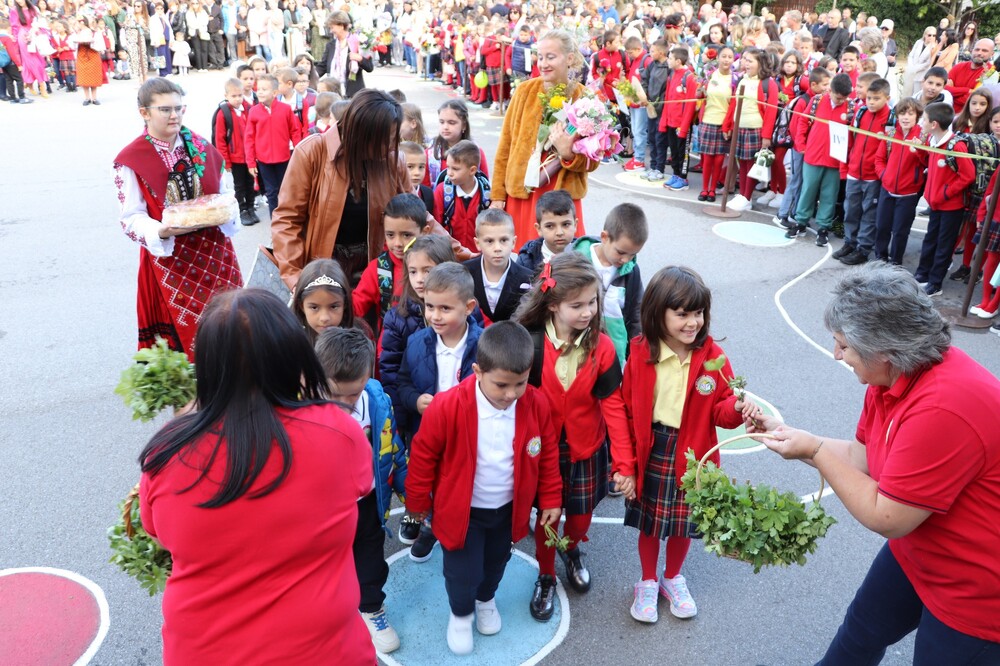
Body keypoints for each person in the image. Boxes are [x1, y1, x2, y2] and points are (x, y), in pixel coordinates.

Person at [758, 263, 1000, 664]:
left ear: (883, 348)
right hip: (920, 551)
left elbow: (887, 516)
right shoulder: (890, 375)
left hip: (976, 589)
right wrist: (792, 436)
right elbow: (862, 460)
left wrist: (815, 451)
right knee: (859, 635)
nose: (836, 354)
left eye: (843, 346)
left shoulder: (942, 407)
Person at [139, 289, 376, 665]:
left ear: (207, 366)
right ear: (293, 357)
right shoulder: (340, 433)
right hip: (323, 650)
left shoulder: (166, 452)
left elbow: (158, 535)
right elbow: (360, 487)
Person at [404, 320, 563, 655]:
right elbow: (422, 456)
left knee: (495, 562)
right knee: (462, 571)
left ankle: (486, 599)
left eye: (520, 384)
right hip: (463, 512)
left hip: (507, 510)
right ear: (477, 371)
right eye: (501, 385)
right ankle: (461, 615)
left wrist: (550, 497)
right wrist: (417, 503)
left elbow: (547, 453)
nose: (511, 394)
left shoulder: (535, 404)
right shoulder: (448, 407)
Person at [616, 266, 760, 624]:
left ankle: (672, 578)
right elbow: (627, 410)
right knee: (651, 524)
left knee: (683, 524)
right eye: (682, 314)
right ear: (657, 313)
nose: (692, 322)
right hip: (653, 449)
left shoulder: (713, 357)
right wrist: (624, 465)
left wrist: (737, 407)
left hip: (694, 453)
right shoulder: (640, 351)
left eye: (698, 313)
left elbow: (721, 413)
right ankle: (647, 581)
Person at [514, 252, 631, 621]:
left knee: (579, 519)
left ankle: (573, 547)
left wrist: (624, 464)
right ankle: (546, 574)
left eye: (592, 302)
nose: (588, 312)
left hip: (586, 450)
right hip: (543, 452)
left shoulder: (603, 347)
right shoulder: (529, 343)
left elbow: (614, 408)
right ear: (552, 304)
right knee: (547, 519)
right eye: (577, 305)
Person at [113, 78, 243, 361]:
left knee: (231, 326)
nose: (175, 115)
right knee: (187, 342)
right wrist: (161, 231)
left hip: (216, 255)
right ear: (144, 113)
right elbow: (131, 218)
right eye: (165, 109)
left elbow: (224, 193)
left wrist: (225, 210)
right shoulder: (132, 159)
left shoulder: (200, 147)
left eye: (179, 108)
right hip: (171, 261)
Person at [315, 326, 405, 655]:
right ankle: (329, 616)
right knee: (326, 565)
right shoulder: (301, 408)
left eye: (351, 395)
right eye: (332, 394)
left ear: (367, 377)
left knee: (370, 560)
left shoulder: (377, 402)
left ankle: (371, 609)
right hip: (324, 508)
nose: (342, 405)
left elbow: (394, 449)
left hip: (367, 501)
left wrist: (411, 494)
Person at [271, 88, 410, 291]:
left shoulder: (392, 160)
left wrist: (457, 251)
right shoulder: (312, 152)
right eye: (387, 139)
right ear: (364, 135)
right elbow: (287, 219)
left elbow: (416, 214)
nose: (393, 146)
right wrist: (295, 277)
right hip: (323, 270)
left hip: (375, 270)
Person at [492, 29, 596, 248]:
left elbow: (592, 161)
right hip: (524, 193)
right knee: (524, 258)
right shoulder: (524, 92)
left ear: (569, 58)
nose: (543, 63)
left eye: (551, 57)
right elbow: (506, 146)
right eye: (540, 57)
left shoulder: (584, 98)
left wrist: (568, 154)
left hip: (562, 199)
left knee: (563, 263)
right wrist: (498, 195)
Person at [379, 234, 456, 446]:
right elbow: (391, 370)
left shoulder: (463, 310)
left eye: (427, 271)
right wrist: (402, 416)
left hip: (457, 411)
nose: (419, 279)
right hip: (417, 417)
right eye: (413, 271)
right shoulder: (397, 318)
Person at [571, 203, 647, 367]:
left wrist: (637, 349)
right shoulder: (576, 261)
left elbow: (637, 312)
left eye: (633, 254)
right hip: (576, 350)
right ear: (604, 237)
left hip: (614, 354)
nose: (626, 260)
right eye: (620, 252)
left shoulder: (631, 271)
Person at [786, 73, 856, 248]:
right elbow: (803, 121)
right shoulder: (817, 100)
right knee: (808, 190)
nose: (840, 101)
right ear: (830, 90)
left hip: (835, 160)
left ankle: (823, 226)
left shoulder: (851, 108)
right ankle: (801, 221)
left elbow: (852, 136)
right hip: (813, 155)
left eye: (844, 98)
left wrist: (846, 158)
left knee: (829, 194)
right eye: (838, 98)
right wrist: (801, 144)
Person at [915, 103, 976, 297]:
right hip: (936, 203)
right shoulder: (932, 140)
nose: (920, 123)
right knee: (930, 239)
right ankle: (922, 274)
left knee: (944, 244)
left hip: (950, 205)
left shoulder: (955, 145)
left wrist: (945, 193)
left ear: (934, 124)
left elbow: (968, 176)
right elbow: (930, 164)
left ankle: (935, 283)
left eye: (923, 119)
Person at [353, 193, 431, 338]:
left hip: (429, 344)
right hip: (389, 347)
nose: (397, 243)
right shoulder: (378, 269)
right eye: (390, 235)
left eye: (406, 235)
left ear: (425, 232)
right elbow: (355, 307)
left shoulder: (436, 265)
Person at [835, 77, 893, 265]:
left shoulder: (891, 119)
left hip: (873, 177)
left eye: (876, 98)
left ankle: (863, 248)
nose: (871, 102)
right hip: (854, 172)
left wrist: (881, 174)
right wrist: (846, 168)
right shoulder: (860, 113)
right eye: (869, 98)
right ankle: (850, 242)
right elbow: (850, 142)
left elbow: (890, 151)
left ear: (887, 98)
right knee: (850, 210)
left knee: (869, 214)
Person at [774, 67, 831, 229]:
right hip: (800, 149)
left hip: (810, 150)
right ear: (813, 85)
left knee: (804, 182)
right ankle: (782, 214)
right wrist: (802, 147)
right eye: (824, 84)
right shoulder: (803, 101)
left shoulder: (821, 100)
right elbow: (795, 127)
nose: (827, 88)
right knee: (796, 180)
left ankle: (795, 212)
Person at [722, 47, 778, 212]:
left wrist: (766, 136)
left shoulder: (768, 84)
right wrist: (728, 125)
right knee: (742, 163)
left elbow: (771, 112)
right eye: (745, 60)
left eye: (750, 61)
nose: (746, 63)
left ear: (760, 63)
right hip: (740, 127)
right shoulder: (743, 80)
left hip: (755, 129)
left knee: (752, 165)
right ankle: (742, 194)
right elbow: (734, 104)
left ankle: (747, 197)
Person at [873, 98, 927, 265]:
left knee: (900, 231)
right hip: (887, 189)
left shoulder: (923, 137)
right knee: (882, 226)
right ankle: (880, 257)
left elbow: (927, 162)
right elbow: (879, 159)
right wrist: (884, 175)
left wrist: (919, 150)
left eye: (910, 113)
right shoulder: (890, 135)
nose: (905, 117)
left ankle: (896, 261)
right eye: (902, 113)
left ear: (917, 116)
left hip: (908, 193)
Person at [462, 209, 533, 325]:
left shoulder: (528, 278)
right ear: (478, 243)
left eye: (503, 240)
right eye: (489, 241)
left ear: (513, 242)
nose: (497, 248)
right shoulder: (463, 273)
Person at [244, 73, 302, 216]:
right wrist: (251, 162)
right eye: (259, 89)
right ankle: (275, 221)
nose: (260, 92)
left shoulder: (285, 109)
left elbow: (294, 131)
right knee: (271, 192)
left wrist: (299, 152)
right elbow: (249, 138)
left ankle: (287, 219)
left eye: (264, 89)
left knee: (285, 190)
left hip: (284, 158)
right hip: (264, 161)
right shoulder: (254, 112)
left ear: (275, 93)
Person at [433, 140, 492, 250]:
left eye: (455, 169)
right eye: (448, 167)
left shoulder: (486, 195)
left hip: (478, 254)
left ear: (472, 170)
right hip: (449, 254)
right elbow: (435, 226)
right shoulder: (442, 191)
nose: (449, 173)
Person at [213, 78, 256, 226]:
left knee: (250, 183)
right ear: (226, 96)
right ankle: (242, 210)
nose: (237, 99)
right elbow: (220, 140)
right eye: (234, 96)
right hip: (235, 158)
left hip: (249, 157)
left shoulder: (249, 109)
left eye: (240, 95)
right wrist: (226, 162)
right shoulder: (223, 114)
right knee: (239, 185)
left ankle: (251, 207)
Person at [658, 47, 698, 192]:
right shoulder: (672, 75)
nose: (667, 61)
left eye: (670, 58)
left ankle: (683, 178)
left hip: (681, 124)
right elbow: (668, 100)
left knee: (683, 153)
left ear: (678, 61)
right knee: (674, 151)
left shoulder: (689, 78)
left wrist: (684, 127)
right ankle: (675, 174)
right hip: (671, 122)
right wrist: (664, 121)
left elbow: (690, 105)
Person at [290, 258, 355, 343]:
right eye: (314, 307)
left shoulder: (357, 342)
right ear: (301, 306)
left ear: (345, 304)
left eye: (333, 307)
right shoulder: (291, 341)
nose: (324, 318)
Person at [516, 189, 576, 275]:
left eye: (566, 224)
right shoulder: (527, 260)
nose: (559, 232)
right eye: (550, 226)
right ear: (539, 229)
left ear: (575, 225)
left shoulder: (586, 256)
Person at [315, 10, 373, 98]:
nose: (331, 31)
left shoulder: (358, 41)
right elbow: (323, 66)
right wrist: (310, 76)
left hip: (353, 94)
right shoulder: (331, 45)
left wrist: (360, 58)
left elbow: (369, 67)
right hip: (334, 94)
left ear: (341, 26)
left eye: (332, 27)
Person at [946, 38, 997, 114]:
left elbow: (973, 99)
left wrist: (952, 94)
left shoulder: (990, 72)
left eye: (984, 51)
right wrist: (967, 90)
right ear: (972, 50)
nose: (979, 53)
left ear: (992, 54)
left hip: (970, 116)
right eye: (977, 49)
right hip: (947, 112)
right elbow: (944, 89)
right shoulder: (959, 67)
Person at [8, 0, 47, 96]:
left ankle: (33, 83)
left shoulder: (33, 8)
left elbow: (39, 22)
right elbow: (14, 26)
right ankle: (38, 86)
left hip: (34, 34)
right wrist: (15, 40)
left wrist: (37, 30)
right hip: (23, 36)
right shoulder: (14, 10)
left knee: (38, 61)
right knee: (30, 61)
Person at [0, 16, 31, 103]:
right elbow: (11, 53)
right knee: (19, 79)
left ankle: (13, 98)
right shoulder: (7, 38)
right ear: (8, 28)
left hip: (3, 62)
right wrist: (19, 64)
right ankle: (22, 97)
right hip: (11, 62)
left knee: (9, 80)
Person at [904, 26, 937, 97]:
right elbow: (911, 55)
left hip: (922, 74)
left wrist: (916, 68)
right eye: (929, 35)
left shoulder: (934, 47)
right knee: (907, 93)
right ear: (925, 35)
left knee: (916, 94)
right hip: (911, 72)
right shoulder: (918, 42)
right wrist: (911, 66)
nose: (931, 37)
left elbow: (928, 62)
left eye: (934, 35)